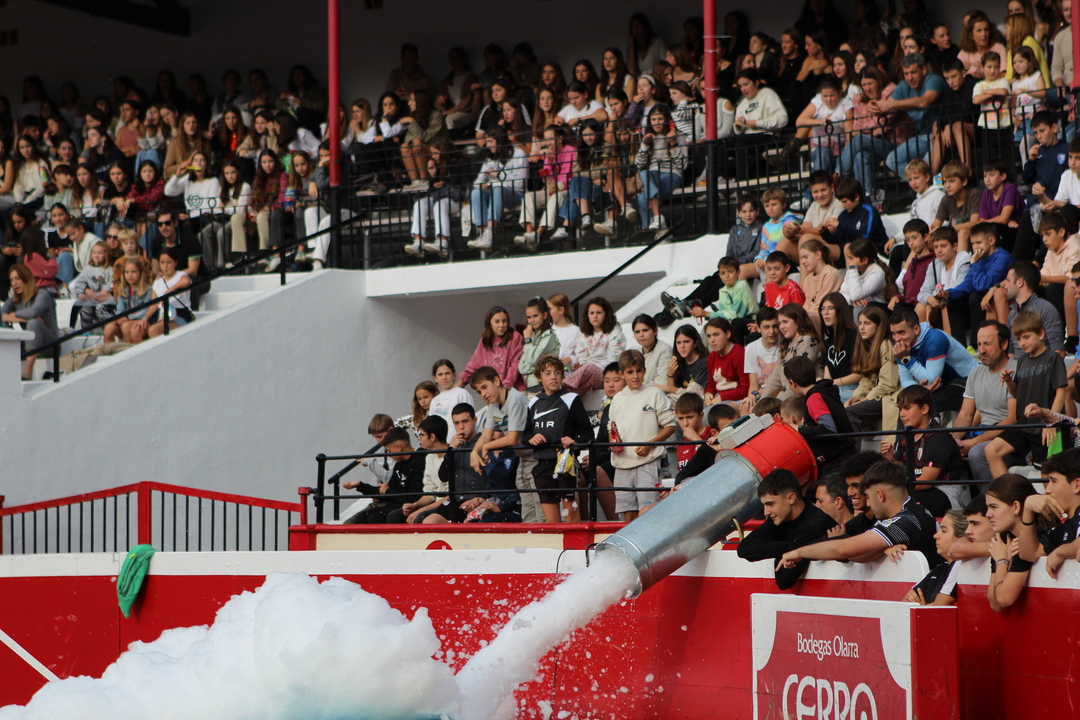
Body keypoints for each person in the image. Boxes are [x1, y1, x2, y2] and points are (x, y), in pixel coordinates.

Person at [779, 460, 942, 568]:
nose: (868, 504)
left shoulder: (906, 521)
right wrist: (881, 549)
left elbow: (843, 549)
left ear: (880, 495)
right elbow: (858, 555)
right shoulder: (916, 510)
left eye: (868, 497)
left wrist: (799, 552)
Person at [985, 311, 1068, 475]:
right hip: (1024, 425)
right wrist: (1009, 381)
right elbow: (1018, 395)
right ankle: (1008, 492)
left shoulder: (1053, 358)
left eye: (1026, 337)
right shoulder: (1022, 360)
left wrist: (1052, 422)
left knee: (1048, 477)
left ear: (1041, 334)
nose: (1022, 343)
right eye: (1018, 339)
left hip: (1046, 426)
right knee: (991, 451)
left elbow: (1061, 392)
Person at [737, 469, 838, 589]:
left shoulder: (814, 525)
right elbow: (744, 549)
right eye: (764, 505)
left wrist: (784, 548)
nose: (766, 512)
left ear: (791, 498)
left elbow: (784, 580)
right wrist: (793, 547)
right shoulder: (779, 519)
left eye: (770, 504)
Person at [608, 349, 676, 521]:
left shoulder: (655, 393)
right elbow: (612, 428)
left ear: (645, 370)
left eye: (639, 371)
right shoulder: (617, 398)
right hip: (621, 464)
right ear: (622, 374)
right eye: (630, 372)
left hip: (648, 462)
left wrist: (649, 444)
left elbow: (670, 426)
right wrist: (612, 442)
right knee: (628, 515)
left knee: (648, 513)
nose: (635, 376)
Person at [881, 384, 969, 515]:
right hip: (914, 488)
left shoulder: (937, 437)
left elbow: (926, 482)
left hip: (945, 493)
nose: (902, 414)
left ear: (924, 409)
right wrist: (892, 460)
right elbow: (903, 470)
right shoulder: (905, 435)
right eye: (900, 409)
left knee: (897, 498)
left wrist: (893, 488)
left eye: (907, 408)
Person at [525, 355, 593, 523]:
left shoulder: (572, 399)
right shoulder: (533, 402)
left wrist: (575, 442)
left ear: (562, 376)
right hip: (542, 465)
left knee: (571, 516)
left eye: (557, 372)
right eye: (548, 373)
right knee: (552, 523)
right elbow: (525, 436)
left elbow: (588, 434)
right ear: (539, 377)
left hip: (566, 463)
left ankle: (575, 541)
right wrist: (532, 439)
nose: (553, 377)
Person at [954, 321, 1018, 485]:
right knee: (944, 450)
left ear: (1004, 344)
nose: (981, 350)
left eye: (987, 344)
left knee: (976, 453)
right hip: (982, 433)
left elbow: (1012, 419)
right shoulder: (975, 373)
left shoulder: (1015, 371)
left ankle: (991, 498)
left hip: (1008, 438)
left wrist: (974, 442)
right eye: (979, 344)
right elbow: (965, 415)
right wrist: (953, 442)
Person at [889, 307, 976, 413]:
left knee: (927, 404)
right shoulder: (901, 345)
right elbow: (905, 380)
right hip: (942, 385)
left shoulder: (935, 339)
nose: (897, 338)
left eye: (901, 332)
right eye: (894, 333)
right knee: (905, 404)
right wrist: (919, 389)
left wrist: (905, 359)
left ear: (916, 329)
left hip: (968, 382)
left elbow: (931, 380)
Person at [941, 222, 1013, 348]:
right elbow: (968, 284)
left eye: (978, 243)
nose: (975, 247)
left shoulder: (1002, 258)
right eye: (973, 243)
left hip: (997, 297)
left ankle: (975, 345)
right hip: (982, 298)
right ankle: (959, 348)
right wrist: (949, 293)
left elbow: (984, 285)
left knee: (975, 296)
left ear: (991, 241)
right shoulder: (979, 258)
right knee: (953, 303)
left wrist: (974, 264)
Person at [784, 355, 857, 474]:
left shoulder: (814, 398)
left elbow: (829, 429)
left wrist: (800, 429)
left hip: (838, 462)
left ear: (792, 383)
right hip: (846, 455)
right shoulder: (825, 392)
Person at [877, 54, 944, 178]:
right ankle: (919, 184)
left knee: (926, 167)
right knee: (892, 160)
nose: (910, 78)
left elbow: (925, 101)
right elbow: (886, 106)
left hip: (940, 133)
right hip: (922, 136)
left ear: (923, 70)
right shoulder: (903, 86)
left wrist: (892, 105)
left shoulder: (933, 80)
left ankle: (925, 184)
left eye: (913, 72)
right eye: (906, 74)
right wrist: (875, 108)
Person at [342, 427, 426, 524]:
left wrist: (387, 491)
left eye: (390, 451)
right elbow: (386, 491)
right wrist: (359, 485)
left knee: (375, 518)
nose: (389, 455)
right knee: (361, 518)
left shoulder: (419, 462)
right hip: (394, 504)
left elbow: (412, 497)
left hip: (407, 506)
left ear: (399, 447)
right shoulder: (399, 463)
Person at [1018, 448, 1080, 577]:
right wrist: (1028, 509)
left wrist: (1060, 552)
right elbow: (1029, 554)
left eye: (1054, 481)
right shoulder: (1066, 526)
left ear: (1077, 485)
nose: (1047, 490)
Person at [749, 303, 822, 408]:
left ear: (798, 321)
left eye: (785, 322)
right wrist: (761, 404)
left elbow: (797, 381)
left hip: (802, 400)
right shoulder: (786, 344)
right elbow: (775, 379)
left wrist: (775, 407)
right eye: (779, 323)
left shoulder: (807, 341)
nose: (781, 327)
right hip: (787, 400)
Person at [985, 473, 1039, 611]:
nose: (988, 514)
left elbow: (1004, 598)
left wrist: (1002, 561)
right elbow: (995, 604)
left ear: (1016, 506)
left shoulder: (1033, 536)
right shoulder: (1002, 540)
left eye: (994, 507)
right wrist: (1004, 561)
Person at [467, 127, 527, 251]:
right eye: (487, 142)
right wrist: (482, 183)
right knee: (476, 193)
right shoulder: (490, 157)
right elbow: (476, 183)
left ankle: (489, 232)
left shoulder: (518, 153)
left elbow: (520, 183)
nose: (487, 145)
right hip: (494, 192)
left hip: (516, 194)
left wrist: (497, 175)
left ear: (500, 141)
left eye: (490, 141)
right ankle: (482, 234)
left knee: (498, 188)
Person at [1, 263, 58, 380]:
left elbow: (33, 312)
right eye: (11, 280)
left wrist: (13, 315)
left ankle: (28, 370)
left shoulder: (42, 295)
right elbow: (2, 315)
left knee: (34, 323)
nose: (14, 283)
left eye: (17, 278)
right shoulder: (14, 300)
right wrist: (20, 318)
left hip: (49, 345)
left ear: (26, 278)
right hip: (29, 344)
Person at [389, 415, 450, 524]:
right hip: (434, 504)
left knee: (420, 517)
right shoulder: (429, 457)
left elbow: (449, 496)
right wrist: (415, 505)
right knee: (395, 516)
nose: (419, 438)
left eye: (421, 435)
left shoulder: (453, 456)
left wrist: (422, 509)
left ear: (432, 437)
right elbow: (430, 492)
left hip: (448, 505)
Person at [902, 509, 968, 605]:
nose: (936, 535)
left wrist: (922, 609)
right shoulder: (939, 569)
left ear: (962, 536)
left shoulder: (962, 566)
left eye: (944, 531)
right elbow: (906, 602)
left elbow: (938, 608)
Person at [998, 261, 1066, 355]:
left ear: (1020, 282)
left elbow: (1059, 352)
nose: (1005, 286)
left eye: (1008, 281)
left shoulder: (1046, 309)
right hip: (1017, 364)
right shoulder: (1012, 313)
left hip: (1042, 364)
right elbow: (1011, 354)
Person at [564, 296, 625, 394]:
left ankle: (562, 385)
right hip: (589, 374)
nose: (595, 316)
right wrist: (582, 367)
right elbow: (582, 357)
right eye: (592, 313)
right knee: (574, 389)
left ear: (606, 314)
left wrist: (589, 367)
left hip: (607, 374)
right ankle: (563, 393)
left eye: (599, 313)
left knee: (590, 368)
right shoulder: (583, 336)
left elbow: (614, 359)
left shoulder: (615, 333)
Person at [916, 226, 971, 331]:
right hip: (942, 304)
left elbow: (960, 291)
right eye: (936, 247)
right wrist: (929, 299)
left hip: (961, 307)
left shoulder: (964, 261)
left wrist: (941, 298)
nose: (939, 251)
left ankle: (949, 340)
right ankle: (925, 340)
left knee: (946, 305)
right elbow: (922, 292)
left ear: (954, 246)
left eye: (943, 246)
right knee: (921, 306)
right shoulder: (934, 264)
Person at [459, 306, 525, 391]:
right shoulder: (484, 340)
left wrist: (506, 387)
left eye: (504, 321)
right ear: (489, 323)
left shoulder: (515, 337)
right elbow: (474, 364)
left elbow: (515, 364)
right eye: (497, 322)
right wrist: (461, 382)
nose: (501, 325)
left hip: (514, 389)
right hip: (494, 391)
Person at [818, 293, 861, 401]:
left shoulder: (854, 335)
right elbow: (828, 376)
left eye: (830, 308)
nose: (825, 313)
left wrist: (832, 383)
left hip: (853, 389)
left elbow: (859, 374)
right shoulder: (827, 341)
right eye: (823, 309)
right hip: (835, 388)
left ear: (841, 310)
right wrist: (824, 383)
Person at [145, 247, 193, 338]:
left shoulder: (181, 275)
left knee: (154, 330)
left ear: (175, 263)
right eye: (162, 262)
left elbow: (186, 282)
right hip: (161, 314)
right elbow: (154, 304)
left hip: (179, 314)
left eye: (169, 262)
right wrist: (145, 318)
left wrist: (169, 291)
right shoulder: (158, 282)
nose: (165, 266)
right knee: (137, 330)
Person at [104, 258, 153, 344]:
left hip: (143, 320)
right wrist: (120, 318)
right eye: (127, 272)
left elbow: (146, 309)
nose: (130, 275)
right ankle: (109, 352)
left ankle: (129, 351)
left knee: (126, 326)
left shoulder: (148, 289)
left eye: (134, 272)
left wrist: (128, 318)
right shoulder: (123, 290)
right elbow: (120, 310)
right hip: (126, 320)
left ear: (141, 273)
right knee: (108, 328)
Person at [517, 297, 561, 395]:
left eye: (535, 316)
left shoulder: (548, 335)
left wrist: (527, 340)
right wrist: (536, 365)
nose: (532, 320)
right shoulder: (533, 335)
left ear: (544, 315)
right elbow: (522, 368)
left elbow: (532, 359)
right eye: (529, 317)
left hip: (542, 385)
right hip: (531, 385)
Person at [702, 317, 749, 404]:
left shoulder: (739, 354)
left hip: (737, 400)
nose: (712, 340)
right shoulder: (712, 356)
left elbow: (746, 388)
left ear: (727, 334)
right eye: (709, 336)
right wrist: (709, 393)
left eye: (716, 335)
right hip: (718, 397)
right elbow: (711, 383)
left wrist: (722, 398)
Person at [655, 324, 709, 398]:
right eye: (678, 343)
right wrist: (670, 375)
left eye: (686, 342)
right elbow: (672, 394)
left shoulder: (704, 362)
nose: (682, 346)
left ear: (695, 343)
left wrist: (666, 388)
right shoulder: (677, 362)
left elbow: (694, 392)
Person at [842, 237, 896, 311]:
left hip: (877, 310)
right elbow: (842, 293)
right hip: (861, 308)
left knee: (859, 307)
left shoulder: (877, 272)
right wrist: (851, 300)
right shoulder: (853, 270)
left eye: (851, 259)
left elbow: (855, 295)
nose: (848, 262)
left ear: (864, 260)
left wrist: (852, 269)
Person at [70, 241, 114, 329]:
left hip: (104, 298)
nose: (96, 255)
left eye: (100, 253)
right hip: (90, 297)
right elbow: (80, 282)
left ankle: (107, 328)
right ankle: (83, 329)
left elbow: (113, 282)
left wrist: (106, 289)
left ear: (106, 255)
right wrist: (81, 293)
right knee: (84, 308)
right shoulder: (87, 269)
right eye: (94, 253)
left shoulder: (109, 269)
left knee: (101, 308)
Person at [893, 219, 935, 310]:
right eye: (908, 240)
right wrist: (897, 297)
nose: (911, 243)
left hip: (922, 306)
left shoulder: (934, 262)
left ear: (926, 237)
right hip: (908, 305)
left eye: (914, 238)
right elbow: (907, 294)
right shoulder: (912, 263)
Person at [841, 451, 884, 535]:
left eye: (857, 486)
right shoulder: (855, 524)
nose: (850, 493)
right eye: (848, 486)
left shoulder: (893, 523)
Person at [744, 307, 781, 401]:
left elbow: (783, 384)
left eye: (775, 326)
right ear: (758, 327)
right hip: (760, 397)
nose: (772, 331)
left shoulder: (786, 344)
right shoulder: (750, 349)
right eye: (766, 327)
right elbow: (753, 385)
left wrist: (757, 394)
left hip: (780, 394)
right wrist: (751, 400)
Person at [630, 314, 672, 389]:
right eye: (637, 332)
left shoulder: (665, 350)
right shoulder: (636, 353)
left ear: (655, 331)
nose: (641, 335)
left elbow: (662, 382)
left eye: (645, 330)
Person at [547, 293, 582, 370]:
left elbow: (582, 355)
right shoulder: (546, 329)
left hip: (567, 373)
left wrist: (571, 359)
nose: (546, 312)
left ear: (561, 310)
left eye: (550, 309)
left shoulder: (576, 331)